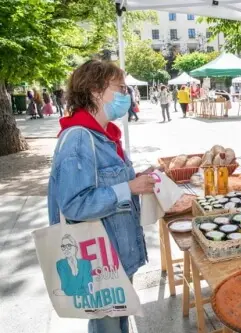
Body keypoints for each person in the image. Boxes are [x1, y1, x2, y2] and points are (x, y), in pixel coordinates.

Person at [48, 59, 155, 333]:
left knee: (118, 322)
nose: (126, 95)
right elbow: (74, 204)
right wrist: (128, 188)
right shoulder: (79, 138)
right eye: (120, 88)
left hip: (116, 253)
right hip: (99, 259)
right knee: (108, 326)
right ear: (96, 91)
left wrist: (136, 178)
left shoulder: (104, 135)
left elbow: (106, 182)